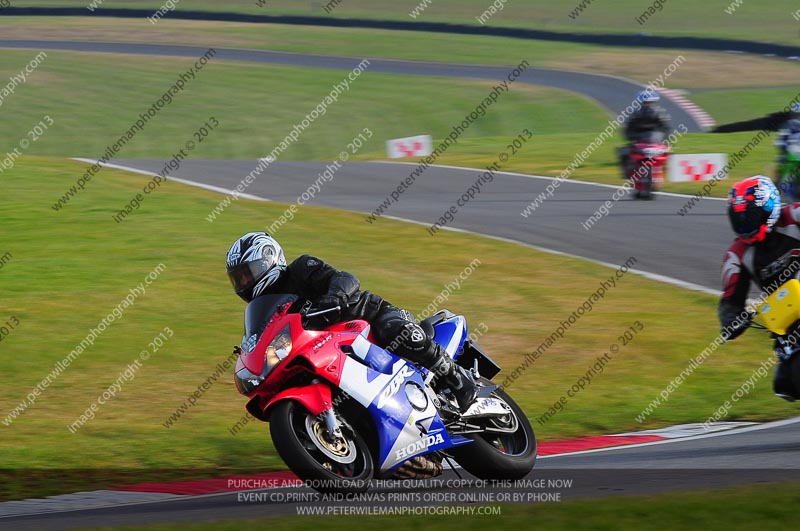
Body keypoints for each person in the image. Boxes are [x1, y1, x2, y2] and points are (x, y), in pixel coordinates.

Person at [225, 231, 479, 412]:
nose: (244, 283)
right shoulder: (264, 309)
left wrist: (334, 297)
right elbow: (262, 337)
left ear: (269, 259)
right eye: (239, 279)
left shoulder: (301, 268)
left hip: (366, 316)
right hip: (327, 347)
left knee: (393, 330)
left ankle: (458, 379)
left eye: (248, 274)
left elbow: (345, 278)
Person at [719, 175, 799, 401]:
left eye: (750, 216)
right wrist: (732, 320)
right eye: (738, 219)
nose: (744, 224)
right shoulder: (736, 255)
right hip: (786, 317)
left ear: (769, 208)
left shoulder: (793, 217)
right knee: (784, 384)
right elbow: (730, 299)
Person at [619, 90, 672, 177]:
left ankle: (665, 169)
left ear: (655, 102)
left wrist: (666, 140)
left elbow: (666, 128)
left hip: (656, 142)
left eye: (651, 102)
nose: (648, 105)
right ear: (640, 103)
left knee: (669, 150)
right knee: (623, 151)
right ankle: (628, 173)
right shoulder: (634, 115)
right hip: (639, 141)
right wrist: (631, 137)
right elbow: (628, 129)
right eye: (646, 103)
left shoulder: (661, 114)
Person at [774, 101, 800, 183]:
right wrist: (784, 149)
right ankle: (780, 183)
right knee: (783, 163)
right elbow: (780, 141)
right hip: (789, 154)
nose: (798, 117)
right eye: (796, 115)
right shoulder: (786, 127)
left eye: (799, 115)